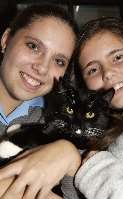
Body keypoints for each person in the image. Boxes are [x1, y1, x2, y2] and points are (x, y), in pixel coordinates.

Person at [0, 4, 81, 199]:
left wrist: (70, 155)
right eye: (33, 46)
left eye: (59, 61)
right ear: (6, 40)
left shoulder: (61, 125)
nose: (42, 68)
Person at [73, 17, 123, 199]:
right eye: (92, 70)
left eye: (117, 57)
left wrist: (96, 171)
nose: (107, 73)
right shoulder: (119, 125)